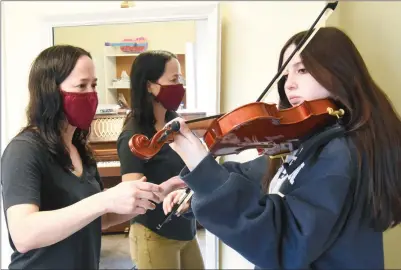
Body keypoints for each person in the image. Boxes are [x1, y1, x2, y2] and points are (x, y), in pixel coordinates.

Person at [161, 26, 401, 269]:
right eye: (286, 73)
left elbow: (286, 240)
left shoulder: (340, 152)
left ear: (340, 72)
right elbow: (255, 173)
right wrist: (198, 187)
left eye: (302, 69)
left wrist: (205, 172)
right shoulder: (308, 139)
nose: (289, 84)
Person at [1, 45, 166, 269]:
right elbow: (23, 235)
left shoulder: (79, 148)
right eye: (81, 85)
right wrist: (103, 200)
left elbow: (99, 220)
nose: (91, 94)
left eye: (94, 85)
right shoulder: (24, 150)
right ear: (50, 91)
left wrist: (149, 196)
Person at [116, 50, 204, 269]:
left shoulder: (175, 122)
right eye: (174, 80)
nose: (180, 86)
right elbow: (132, 197)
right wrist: (167, 186)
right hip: (154, 233)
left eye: (180, 79)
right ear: (149, 86)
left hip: (185, 228)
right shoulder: (133, 135)